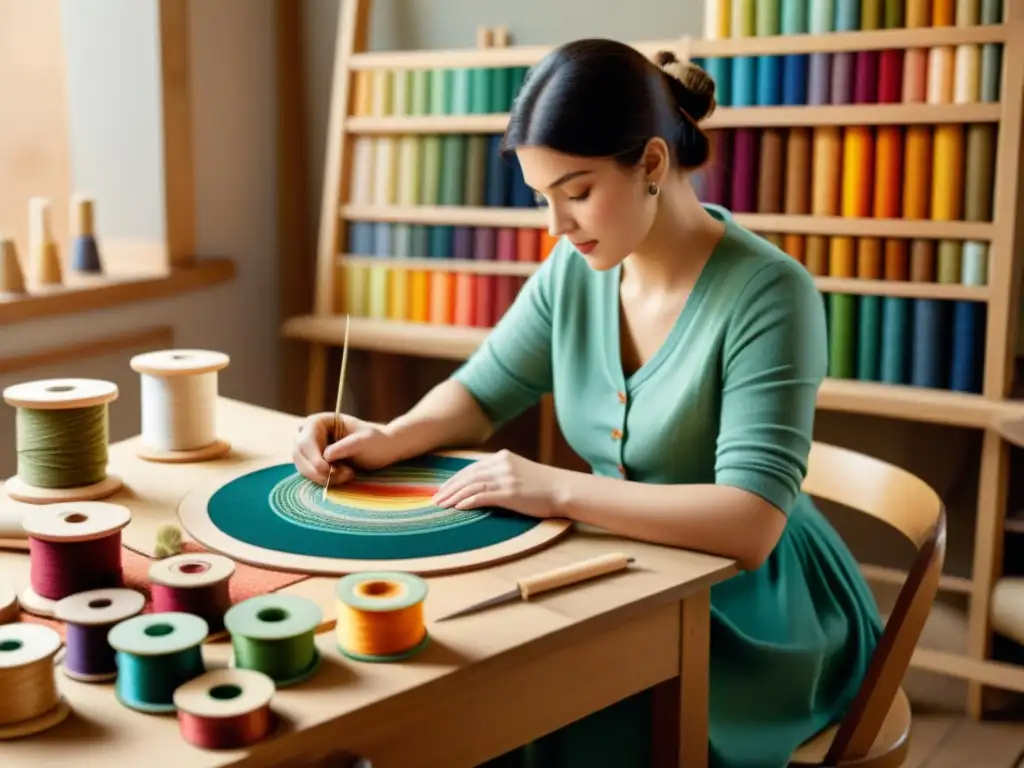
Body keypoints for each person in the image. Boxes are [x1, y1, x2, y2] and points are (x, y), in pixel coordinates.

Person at [293, 38, 884, 768]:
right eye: (545, 198)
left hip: (755, 610)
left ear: (653, 166)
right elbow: (481, 392)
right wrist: (390, 436)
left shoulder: (768, 293)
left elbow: (751, 524)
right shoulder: (575, 270)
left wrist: (556, 489)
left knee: (553, 713)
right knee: (488, 687)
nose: (556, 226)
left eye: (575, 192)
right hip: (636, 569)